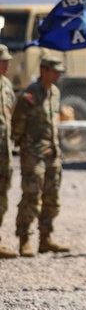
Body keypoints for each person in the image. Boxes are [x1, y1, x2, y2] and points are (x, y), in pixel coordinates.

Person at [12, 55, 71, 256]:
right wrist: (23, 147)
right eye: (55, 71)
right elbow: (17, 122)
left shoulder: (55, 92)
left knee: (52, 196)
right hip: (33, 154)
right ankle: (24, 239)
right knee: (31, 195)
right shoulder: (31, 94)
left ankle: (46, 238)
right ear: (44, 71)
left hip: (52, 152)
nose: (59, 74)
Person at [0, 45, 17, 259]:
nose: (7, 64)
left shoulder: (7, 86)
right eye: (3, 60)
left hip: (4, 153)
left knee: (2, 196)